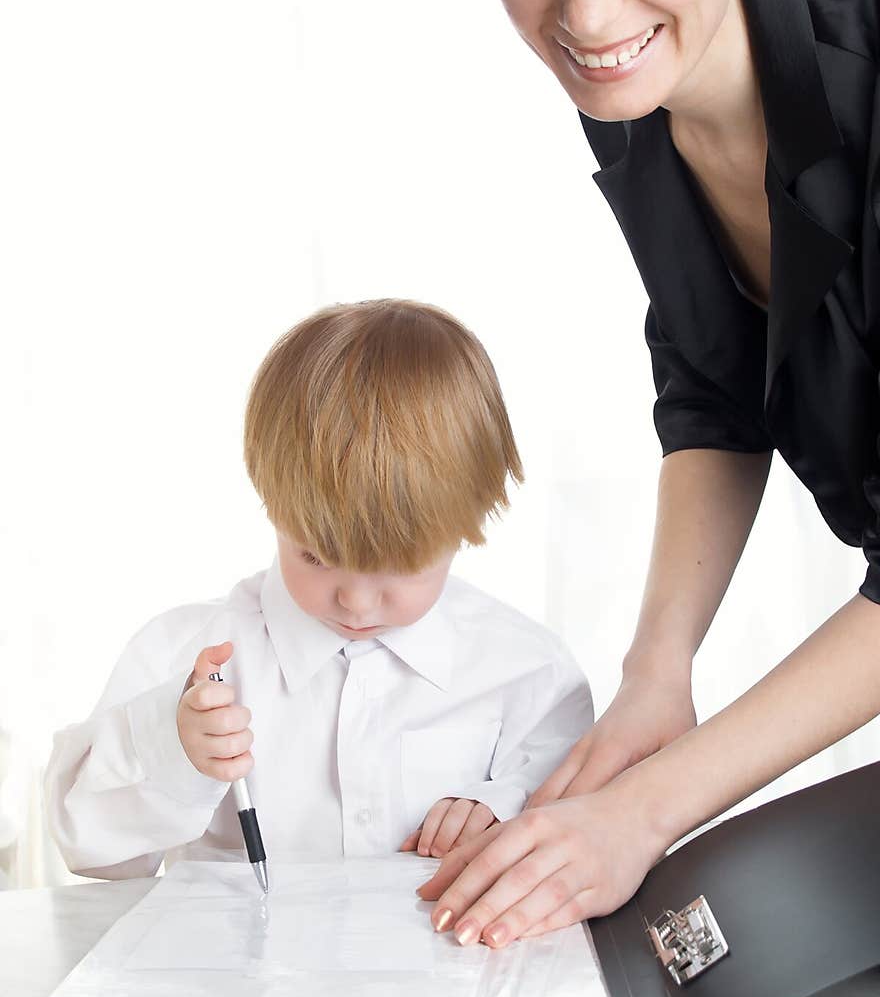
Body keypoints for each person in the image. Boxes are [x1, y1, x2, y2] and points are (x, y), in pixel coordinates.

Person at [418, 0, 880, 949]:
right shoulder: (640, 94)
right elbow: (717, 391)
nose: (584, 15)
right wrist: (654, 676)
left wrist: (647, 806)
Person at [45, 300, 592, 878]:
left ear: (466, 525)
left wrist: (500, 811)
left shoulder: (526, 670)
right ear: (270, 503)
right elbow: (90, 852)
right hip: (236, 969)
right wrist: (172, 748)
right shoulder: (183, 652)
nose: (355, 601)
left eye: (400, 568)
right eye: (316, 556)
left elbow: (579, 818)